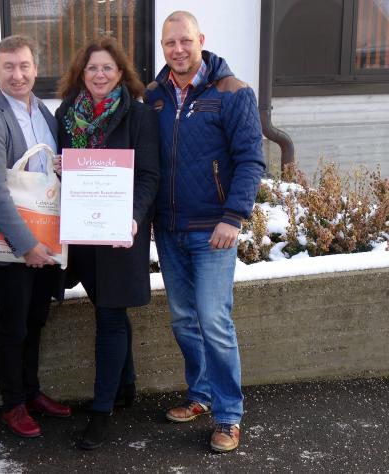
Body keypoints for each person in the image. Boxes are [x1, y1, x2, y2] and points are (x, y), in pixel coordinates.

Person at [145, 11, 265, 453]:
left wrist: (233, 217)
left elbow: (252, 160)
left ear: (200, 40)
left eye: (184, 41)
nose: (177, 49)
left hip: (214, 231)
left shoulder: (232, 92)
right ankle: (199, 395)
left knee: (214, 320)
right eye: (168, 43)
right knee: (182, 318)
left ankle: (229, 415)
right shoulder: (154, 95)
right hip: (170, 229)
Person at [55, 37, 160, 450]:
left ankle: (101, 412)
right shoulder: (66, 114)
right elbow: (61, 173)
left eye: (108, 68)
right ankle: (125, 387)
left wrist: (134, 218)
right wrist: (62, 167)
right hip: (82, 233)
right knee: (107, 308)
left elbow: (148, 175)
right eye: (92, 68)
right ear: (82, 73)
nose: (100, 74)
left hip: (120, 234)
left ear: (121, 74)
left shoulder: (138, 116)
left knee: (111, 317)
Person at [0, 35, 71, 439]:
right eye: (9, 67)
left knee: (36, 319)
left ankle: (32, 392)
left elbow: (46, 173)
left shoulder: (43, 112)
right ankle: (13, 404)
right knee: (13, 326)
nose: (18, 74)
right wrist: (25, 245)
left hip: (46, 238)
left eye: (25, 66)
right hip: (13, 245)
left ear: (35, 68)